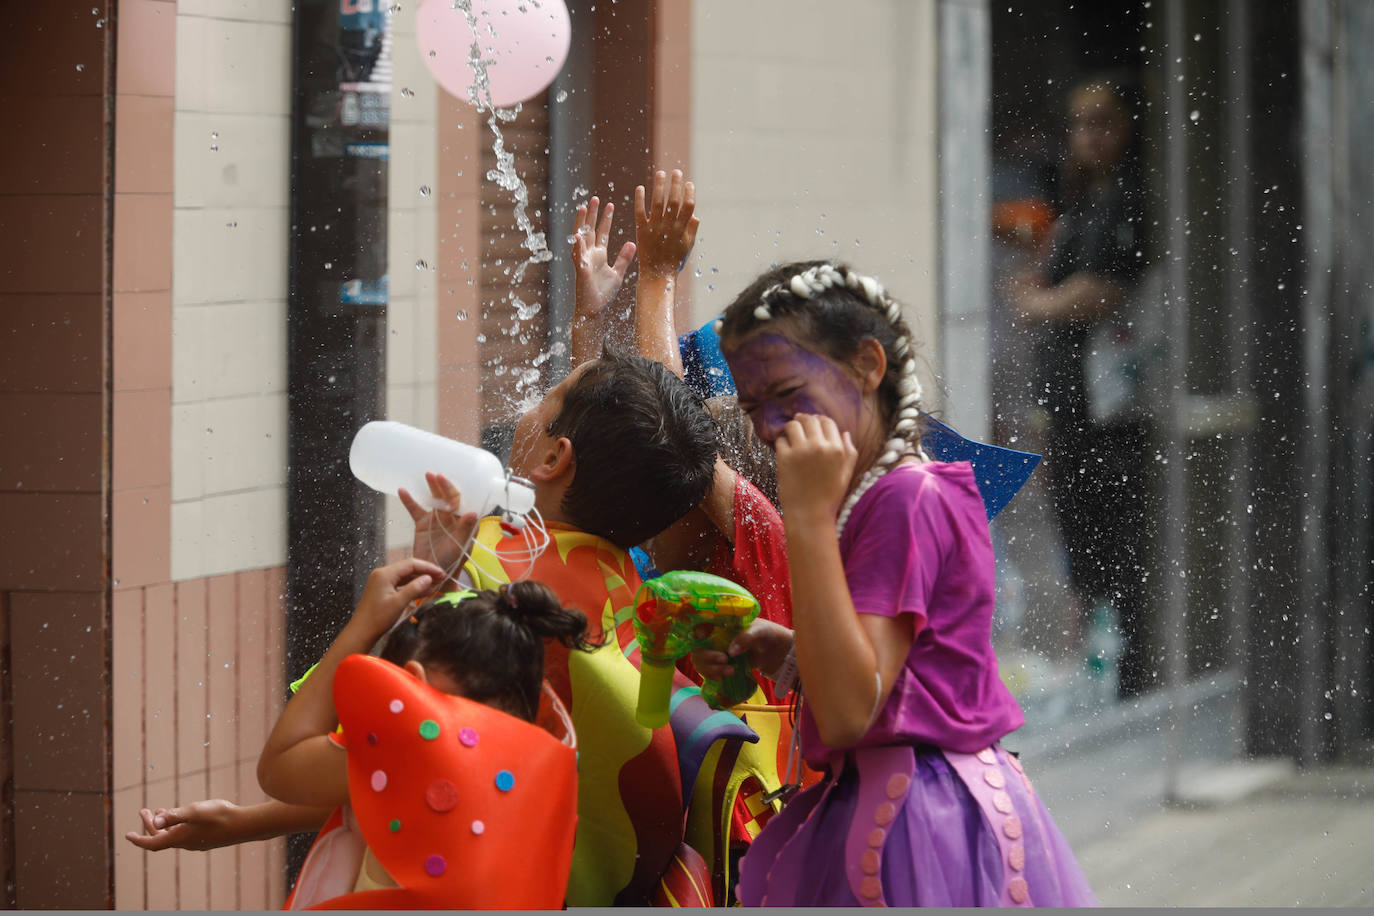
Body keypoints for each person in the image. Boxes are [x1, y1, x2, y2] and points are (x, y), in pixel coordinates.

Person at [693, 260, 1097, 907]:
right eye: (752, 406)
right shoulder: (884, 494)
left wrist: (806, 516)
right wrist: (791, 652)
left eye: (789, 393)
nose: (769, 428)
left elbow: (854, 711)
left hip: (922, 827)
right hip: (907, 805)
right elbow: (903, 675)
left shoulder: (904, 498)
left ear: (868, 366)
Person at [256, 558, 596, 908]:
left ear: (413, 682)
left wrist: (366, 624)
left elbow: (280, 765)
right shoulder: (540, 768)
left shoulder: (408, 761)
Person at [1006, 72, 1152, 696]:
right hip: (1070, 403)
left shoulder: (1129, 200)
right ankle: (1098, 657)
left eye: (1101, 122)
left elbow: (1104, 290)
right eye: (1079, 124)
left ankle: (1127, 668)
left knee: (1117, 539)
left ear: (1124, 128)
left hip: (1112, 406)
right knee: (1079, 534)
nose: (1087, 137)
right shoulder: (1079, 201)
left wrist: (1040, 304)